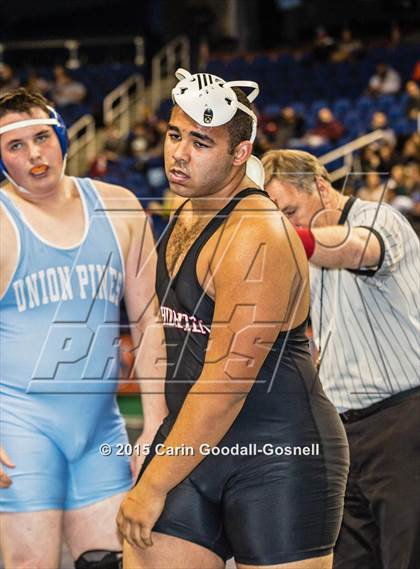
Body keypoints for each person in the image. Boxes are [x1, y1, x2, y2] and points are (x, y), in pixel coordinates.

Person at [117, 68, 349, 569]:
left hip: (278, 459)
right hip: (192, 444)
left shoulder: (255, 233)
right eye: (174, 134)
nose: (179, 153)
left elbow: (226, 383)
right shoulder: (188, 207)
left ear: (240, 154)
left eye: (200, 142)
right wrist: (155, 425)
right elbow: (167, 326)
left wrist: (152, 485)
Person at [0, 88, 167, 569]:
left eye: (41, 138)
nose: (34, 154)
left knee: (110, 562)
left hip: (100, 428)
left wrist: (154, 421)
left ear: (61, 137)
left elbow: (149, 320)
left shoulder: (120, 207)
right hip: (20, 427)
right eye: (15, 146)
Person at [262, 149, 420, 569]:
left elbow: (356, 250)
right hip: (342, 434)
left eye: (291, 211)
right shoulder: (307, 256)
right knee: (346, 560)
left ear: (319, 185)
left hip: (402, 424)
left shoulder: (379, 218)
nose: (288, 225)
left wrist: (288, 237)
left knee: (406, 556)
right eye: (279, 219)